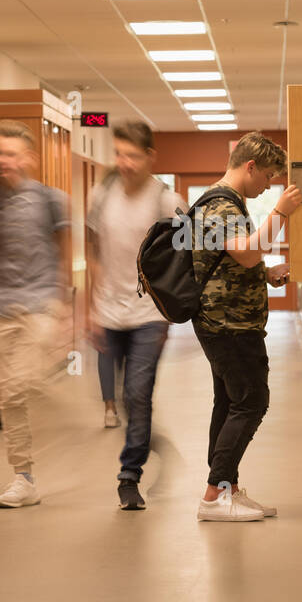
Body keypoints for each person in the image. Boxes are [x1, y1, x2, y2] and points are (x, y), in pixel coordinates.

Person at [191, 132, 300, 521]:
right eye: (268, 176)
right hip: (228, 325)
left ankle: (227, 490)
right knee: (252, 402)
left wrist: (266, 275)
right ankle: (212, 497)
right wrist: (282, 212)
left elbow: (238, 260)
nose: (269, 184)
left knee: (230, 403)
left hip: (227, 321)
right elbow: (249, 251)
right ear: (250, 166)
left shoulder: (228, 202)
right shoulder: (222, 205)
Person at [0, 121, 71, 508]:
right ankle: (23, 477)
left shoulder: (51, 200)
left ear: (28, 158)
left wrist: (67, 309)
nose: (2, 160)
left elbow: (63, 252)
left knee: (26, 383)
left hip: (41, 303)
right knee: (9, 396)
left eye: (10, 153)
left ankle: (65, 420)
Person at [85, 121, 185, 510]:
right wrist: (91, 308)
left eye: (133, 155)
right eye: (119, 153)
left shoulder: (165, 199)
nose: (124, 162)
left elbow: (184, 255)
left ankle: (129, 476)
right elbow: (93, 250)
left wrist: (170, 310)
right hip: (108, 311)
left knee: (137, 393)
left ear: (151, 158)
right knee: (124, 400)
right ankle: (145, 442)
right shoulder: (102, 193)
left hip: (148, 313)